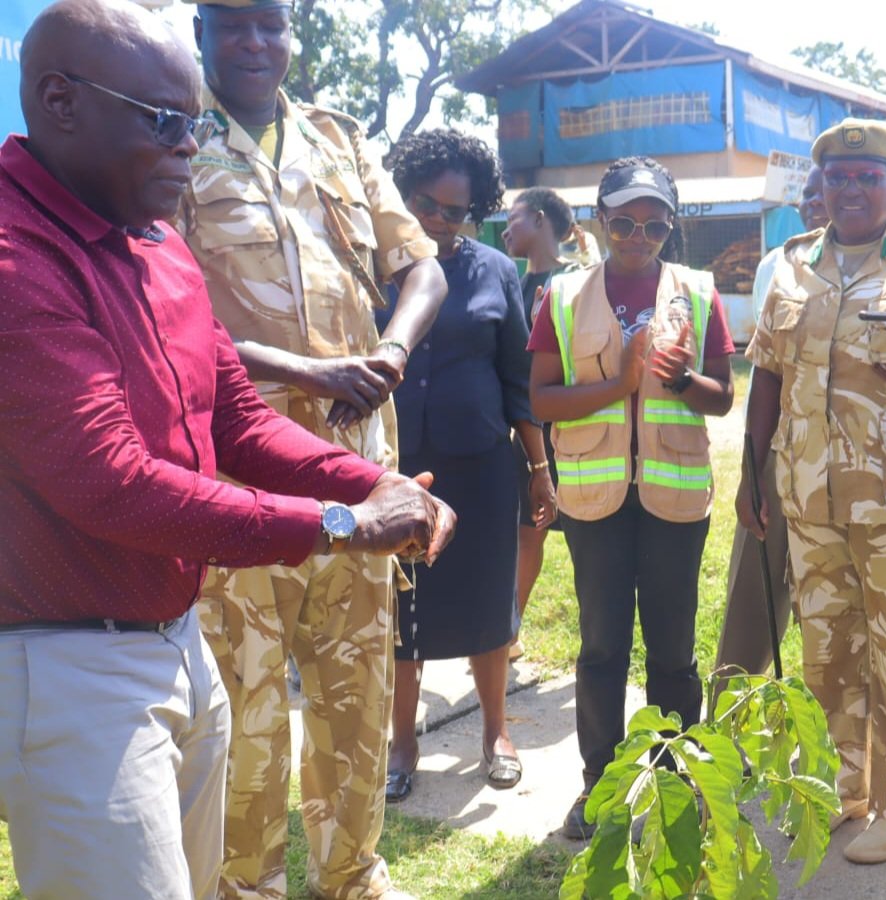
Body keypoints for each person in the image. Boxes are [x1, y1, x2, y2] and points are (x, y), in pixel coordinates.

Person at [0, 2, 454, 898]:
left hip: (173, 637)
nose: (186, 146)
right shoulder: (19, 261)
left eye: (194, 122)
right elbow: (113, 485)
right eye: (164, 121)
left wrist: (378, 484)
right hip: (69, 662)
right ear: (59, 101)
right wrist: (342, 520)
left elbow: (237, 420)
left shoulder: (157, 244)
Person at [174, 1, 448, 896]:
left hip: (359, 466)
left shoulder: (338, 138)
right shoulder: (171, 135)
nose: (257, 44)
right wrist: (308, 370)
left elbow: (422, 265)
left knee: (353, 690)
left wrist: (392, 351)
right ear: (203, 31)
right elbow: (162, 304)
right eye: (236, 25)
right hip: (236, 472)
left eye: (274, 24)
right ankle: (243, 885)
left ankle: (352, 876)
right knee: (246, 702)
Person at [741, 118, 886, 865]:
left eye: (866, 176)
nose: (849, 188)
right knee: (827, 652)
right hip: (808, 497)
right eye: (836, 176)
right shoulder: (791, 264)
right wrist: (754, 477)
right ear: (821, 186)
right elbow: (768, 374)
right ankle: (845, 787)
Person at [527, 156, 736, 842]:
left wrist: (680, 382)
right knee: (600, 650)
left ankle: (677, 782)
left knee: (673, 652)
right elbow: (543, 399)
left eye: (653, 224)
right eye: (623, 221)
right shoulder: (560, 298)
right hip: (596, 503)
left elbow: (724, 397)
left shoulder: (700, 293)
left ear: (670, 227)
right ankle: (601, 788)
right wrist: (619, 385)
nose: (637, 235)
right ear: (599, 220)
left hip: (675, 500)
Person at [377, 129, 550, 803]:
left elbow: (516, 377)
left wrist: (538, 467)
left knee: (487, 600)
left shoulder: (495, 272)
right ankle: (402, 741)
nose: (442, 223)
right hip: (396, 463)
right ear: (404, 194)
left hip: (480, 464)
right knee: (402, 606)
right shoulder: (369, 264)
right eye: (429, 205)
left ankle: (495, 734)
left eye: (459, 212)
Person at [711, 165, 828, 690]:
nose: (818, 201)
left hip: (859, 476)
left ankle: (827, 755)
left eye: (830, 189)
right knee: (748, 613)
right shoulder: (778, 265)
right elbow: (766, 372)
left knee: (834, 628)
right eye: (810, 192)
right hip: (782, 456)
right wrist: (751, 473)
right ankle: (721, 746)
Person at [501, 186, 578, 660]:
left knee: (587, 541)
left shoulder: (576, 281)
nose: (507, 229)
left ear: (542, 219)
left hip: (573, 432)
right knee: (527, 534)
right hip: (526, 438)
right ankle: (511, 633)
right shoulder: (511, 283)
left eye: (515, 218)